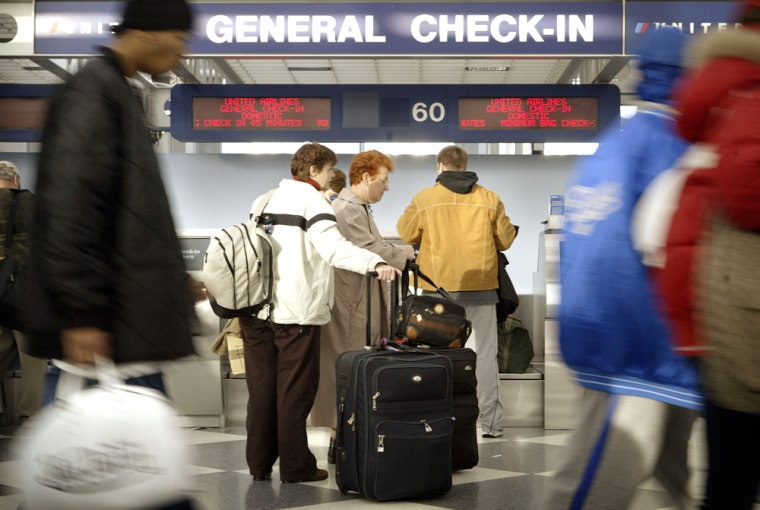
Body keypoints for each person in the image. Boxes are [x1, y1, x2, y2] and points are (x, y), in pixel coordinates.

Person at [540, 27, 703, 510]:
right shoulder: (672, 147)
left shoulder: (615, 142)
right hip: (640, 345)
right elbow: (674, 248)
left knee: (678, 476)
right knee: (591, 484)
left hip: (606, 330)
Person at [28, 0, 197, 403]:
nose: (182, 50)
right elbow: (70, 210)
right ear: (148, 32)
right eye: (179, 37)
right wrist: (82, 315)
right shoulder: (93, 93)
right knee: (95, 459)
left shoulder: (115, 90)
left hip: (125, 338)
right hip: (106, 343)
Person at [240, 142, 400, 484]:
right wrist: (375, 262)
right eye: (329, 171)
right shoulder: (312, 201)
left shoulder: (263, 199)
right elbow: (334, 249)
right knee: (294, 391)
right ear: (313, 171)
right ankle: (296, 467)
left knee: (262, 389)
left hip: (255, 311)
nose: (332, 179)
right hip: (295, 313)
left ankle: (259, 463)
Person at [660, 4, 760, 508]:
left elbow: (668, 241)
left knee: (729, 477)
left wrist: (688, 336)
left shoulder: (707, 138)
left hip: (723, 331)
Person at [396, 145, 517, 438]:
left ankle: (435, 422)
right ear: (465, 166)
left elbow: (406, 233)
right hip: (481, 288)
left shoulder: (425, 198)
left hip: (436, 291)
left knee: (436, 358)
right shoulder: (489, 198)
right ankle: (491, 425)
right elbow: (506, 239)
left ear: (440, 166)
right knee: (485, 356)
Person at [310, 150, 414, 464]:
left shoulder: (357, 207)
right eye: (383, 181)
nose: (386, 187)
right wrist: (403, 251)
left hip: (356, 301)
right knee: (345, 367)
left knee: (350, 366)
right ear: (367, 177)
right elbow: (369, 248)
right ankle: (338, 438)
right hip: (349, 304)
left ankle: (344, 436)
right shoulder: (347, 208)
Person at [0, 161, 47, 422]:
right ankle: (32, 412)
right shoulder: (32, 203)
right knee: (33, 356)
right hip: (25, 290)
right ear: (15, 179)